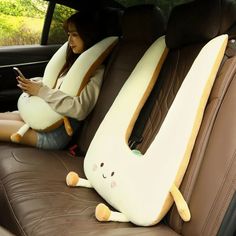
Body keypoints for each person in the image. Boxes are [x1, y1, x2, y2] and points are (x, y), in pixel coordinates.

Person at [0, 11, 104, 150]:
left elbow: (80, 109)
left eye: (75, 35)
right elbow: (57, 88)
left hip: (55, 133)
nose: (69, 41)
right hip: (41, 116)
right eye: (68, 35)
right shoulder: (73, 64)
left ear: (88, 36)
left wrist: (41, 91)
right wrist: (35, 85)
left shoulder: (96, 70)